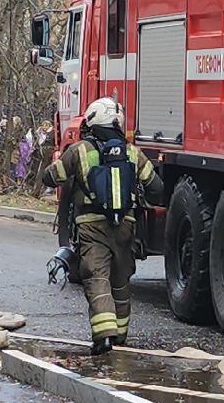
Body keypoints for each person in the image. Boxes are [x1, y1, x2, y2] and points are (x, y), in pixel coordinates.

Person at [42, 97, 161, 354]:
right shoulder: (132, 152)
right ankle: (121, 336)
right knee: (120, 280)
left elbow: (51, 177)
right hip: (126, 226)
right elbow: (157, 189)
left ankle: (104, 337)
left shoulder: (80, 150)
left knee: (97, 278)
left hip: (91, 225)